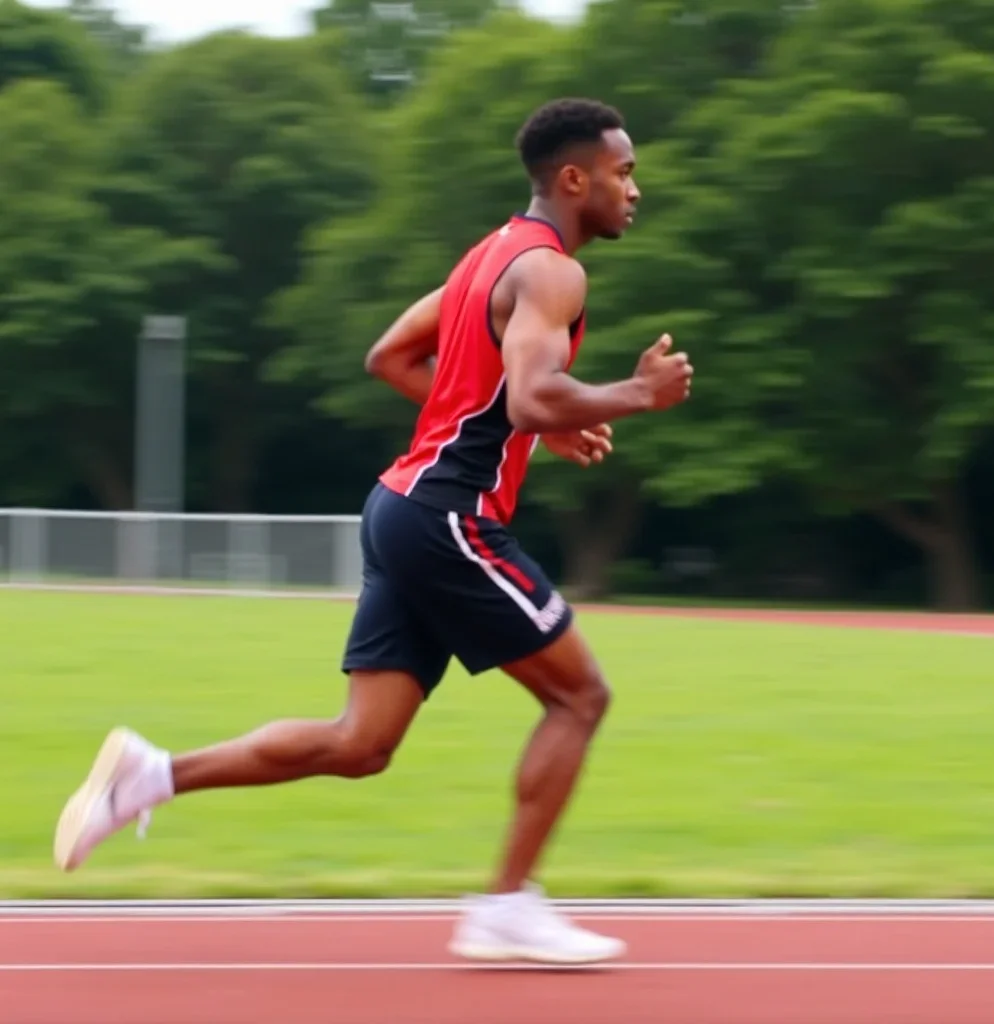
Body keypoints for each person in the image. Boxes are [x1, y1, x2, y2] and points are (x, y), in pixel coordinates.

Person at [53, 97, 693, 965]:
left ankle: (152, 775)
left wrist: (532, 420)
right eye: (624, 172)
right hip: (450, 520)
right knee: (580, 697)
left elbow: (391, 357)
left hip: (400, 509)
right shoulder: (553, 273)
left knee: (361, 744)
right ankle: (507, 907)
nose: (635, 190)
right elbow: (533, 395)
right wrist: (629, 396)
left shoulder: (486, 259)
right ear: (574, 178)